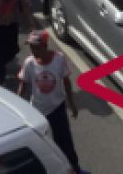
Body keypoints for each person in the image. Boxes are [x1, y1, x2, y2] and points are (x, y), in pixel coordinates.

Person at [18, 30, 82, 173]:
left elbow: (66, 81)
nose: (33, 51)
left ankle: (74, 169)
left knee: (65, 143)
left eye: (36, 47)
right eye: (31, 47)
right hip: (37, 111)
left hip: (57, 109)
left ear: (45, 46)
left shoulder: (59, 59)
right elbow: (23, 84)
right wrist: (17, 108)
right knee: (40, 145)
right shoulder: (29, 63)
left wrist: (71, 104)